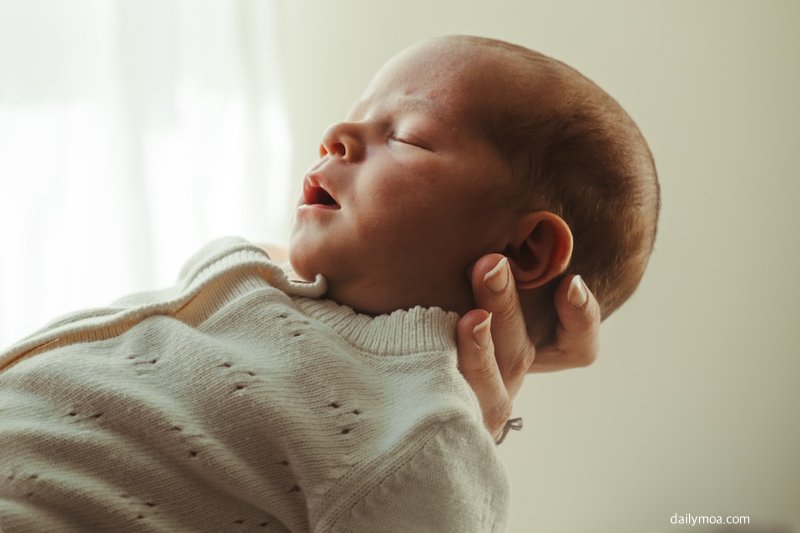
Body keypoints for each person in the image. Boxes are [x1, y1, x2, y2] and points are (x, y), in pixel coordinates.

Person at [0, 34, 655, 532]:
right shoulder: (278, 288)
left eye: (406, 135)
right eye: (355, 118)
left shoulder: (424, 434)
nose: (337, 135)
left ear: (528, 247)